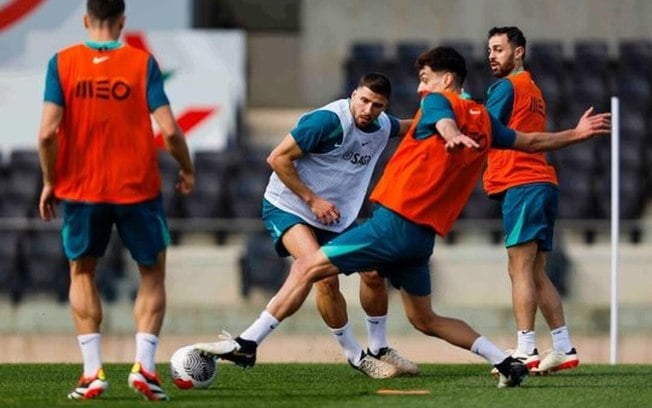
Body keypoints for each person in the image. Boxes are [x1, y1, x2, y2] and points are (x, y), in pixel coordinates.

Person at [194, 46, 610, 388]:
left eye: (425, 77)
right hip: (423, 237)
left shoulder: (438, 104)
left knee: (308, 267)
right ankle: (506, 362)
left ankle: (249, 342)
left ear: (446, 80)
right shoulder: (485, 120)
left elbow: (440, 119)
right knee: (425, 319)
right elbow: (531, 139)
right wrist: (576, 133)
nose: (420, 86)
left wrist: (449, 134)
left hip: (393, 224)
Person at [37, 0, 195, 401]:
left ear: (86, 19)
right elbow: (171, 131)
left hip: (80, 189)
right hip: (137, 189)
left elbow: (46, 134)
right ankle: (144, 366)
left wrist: (49, 180)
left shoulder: (62, 62)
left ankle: (93, 373)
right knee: (152, 274)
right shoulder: (143, 64)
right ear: (123, 22)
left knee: (83, 273)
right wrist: (186, 168)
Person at [261, 73, 416, 378]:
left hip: (334, 216)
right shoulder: (327, 121)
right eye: (364, 100)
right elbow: (277, 159)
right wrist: (312, 200)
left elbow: (411, 126)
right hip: (290, 206)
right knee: (324, 278)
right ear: (353, 95)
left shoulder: (382, 125)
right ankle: (355, 355)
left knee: (373, 272)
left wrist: (449, 109)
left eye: (378, 105)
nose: (368, 110)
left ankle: (379, 347)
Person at [484, 26, 579, 374]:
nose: (491, 56)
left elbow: (484, 129)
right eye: (489, 50)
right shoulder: (533, 89)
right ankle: (564, 347)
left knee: (520, 268)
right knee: (536, 272)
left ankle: (526, 349)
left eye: (498, 49)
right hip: (539, 184)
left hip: (522, 184)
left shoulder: (507, 87)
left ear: (519, 52)